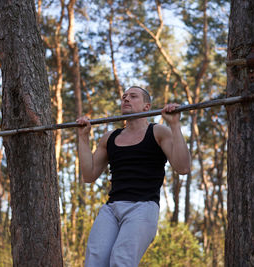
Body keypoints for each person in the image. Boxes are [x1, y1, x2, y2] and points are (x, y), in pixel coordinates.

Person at [76, 86, 191, 267]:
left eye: (133, 96)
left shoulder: (158, 132)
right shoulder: (109, 138)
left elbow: (183, 167)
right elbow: (88, 175)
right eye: (124, 96)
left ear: (147, 106)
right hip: (111, 209)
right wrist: (83, 138)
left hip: (142, 207)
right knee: (95, 260)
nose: (126, 99)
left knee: (121, 260)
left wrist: (175, 125)